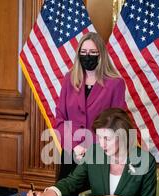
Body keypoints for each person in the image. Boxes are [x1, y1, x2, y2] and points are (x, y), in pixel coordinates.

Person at [29, 108, 156, 196]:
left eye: (107, 138)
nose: (102, 144)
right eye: (99, 137)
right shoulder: (94, 152)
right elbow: (70, 182)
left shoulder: (145, 160)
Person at [54, 32, 126, 182]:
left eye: (93, 52)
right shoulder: (69, 79)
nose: (88, 56)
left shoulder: (115, 83)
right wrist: (75, 146)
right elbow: (60, 119)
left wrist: (94, 149)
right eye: (84, 52)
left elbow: (118, 124)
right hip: (71, 152)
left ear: (101, 54)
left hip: (100, 154)